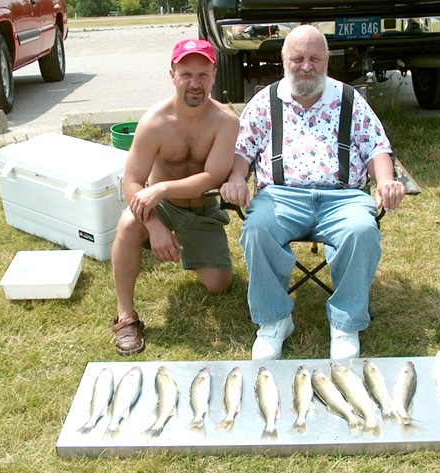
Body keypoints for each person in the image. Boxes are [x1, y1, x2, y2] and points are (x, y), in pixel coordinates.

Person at [220, 25, 406, 361]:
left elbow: (377, 147)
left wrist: (386, 180)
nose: (306, 66)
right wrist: (235, 178)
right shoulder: (264, 102)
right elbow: (242, 151)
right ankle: (274, 320)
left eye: (315, 58)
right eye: (298, 58)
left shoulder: (350, 99)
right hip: (280, 196)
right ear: (283, 60)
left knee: (362, 230)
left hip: (343, 198)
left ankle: (346, 324)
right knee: (257, 229)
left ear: (327, 60)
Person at [111, 39, 239, 355]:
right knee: (128, 224)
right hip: (162, 208)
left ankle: (187, 246)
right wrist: (154, 225)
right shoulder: (154, 122)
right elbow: (132, 181)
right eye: (186, 75)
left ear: (214, 75)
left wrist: (163, 187)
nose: (195, 83)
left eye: (203, 75)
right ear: (172, 75)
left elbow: (213, 177)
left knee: (219, 285)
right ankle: (126, 317)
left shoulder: (226, 121)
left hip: (202, 208)